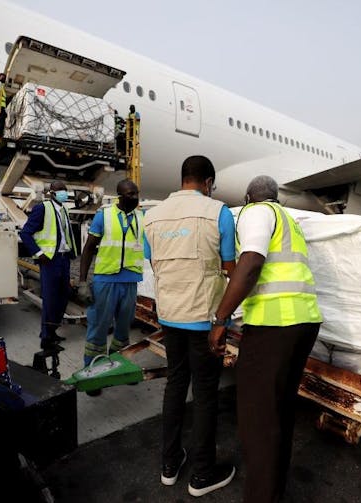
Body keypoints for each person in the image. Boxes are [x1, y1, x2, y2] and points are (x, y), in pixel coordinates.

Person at [208, 175, 322, 503]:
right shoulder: (288, 220)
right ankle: (273, 491)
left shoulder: (256, 212)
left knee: (257, 421)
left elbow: (252, 262)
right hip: (303, 321)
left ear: (248, 198)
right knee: (278, 413)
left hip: (275, 326)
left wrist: (220, 318)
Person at [143, 155, 236, 497]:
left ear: (183, 179)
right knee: (206, 393)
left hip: (169, 315)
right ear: (209, 181)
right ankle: (202, 474)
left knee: (175, 384)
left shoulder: (151, 216)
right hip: (202, 318)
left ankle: (169, 465)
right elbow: (230, 267)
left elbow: (154, 261)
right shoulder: (218, 213)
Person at [78, 179, 143, 381]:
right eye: (130, 194)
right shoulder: (104, 216)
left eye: (136, 194)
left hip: (130, 280)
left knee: (124, 329)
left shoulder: (142, 217)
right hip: (105, 279)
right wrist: (82, 281)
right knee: (99, 326)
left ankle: (119, 367)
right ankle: (92, 375)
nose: (135, 198)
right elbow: (88, 249)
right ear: (120, 196)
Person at [19, 180, 77, 351]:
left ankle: (52, 330)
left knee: (63, 296)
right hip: (50, 260)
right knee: (50, 299)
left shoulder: (65, 209)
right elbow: (26, 233)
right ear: (51, 192)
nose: (63, 193)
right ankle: (46, 338)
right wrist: (38, 253)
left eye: (65, 190)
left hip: (64, 259)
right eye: (60, 190)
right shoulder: (42, 208)